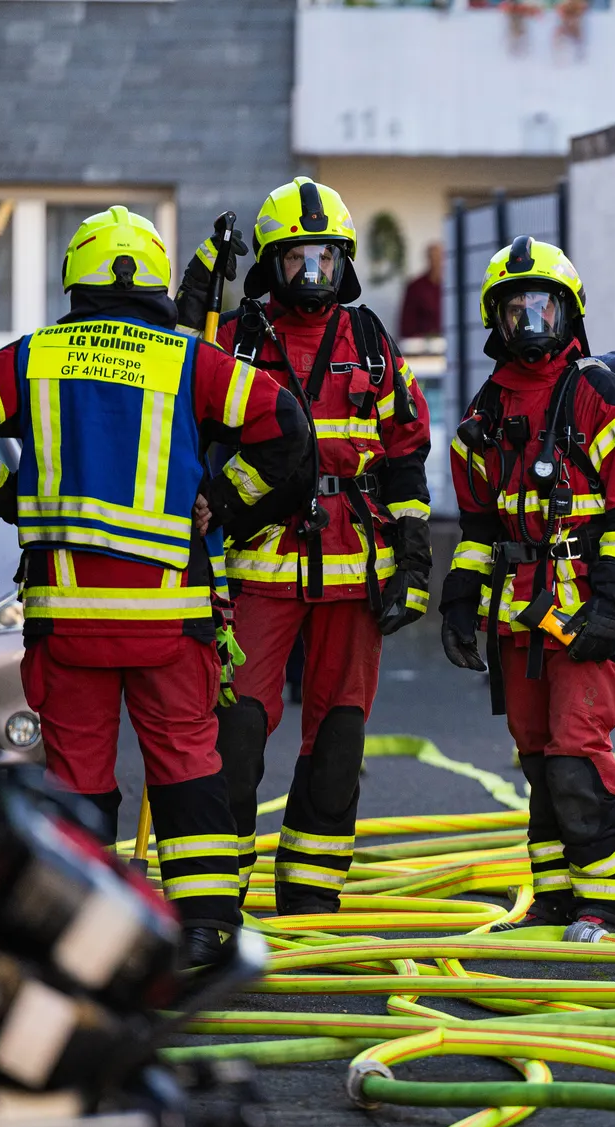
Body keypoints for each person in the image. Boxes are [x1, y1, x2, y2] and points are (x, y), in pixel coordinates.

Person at [0, 206, 310, 966]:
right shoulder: (187, 360)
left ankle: (76, 934)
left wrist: (13, 497)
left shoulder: (33, 358)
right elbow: (286, 427)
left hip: (66, 621)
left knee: (76, 779)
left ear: (77, 277)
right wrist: (225, 499)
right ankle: (203, 930)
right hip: (169, 621)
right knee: (188, 765)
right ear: (155, 280)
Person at [174, 177, 433, 917]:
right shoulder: (239, 335)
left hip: (355, 571)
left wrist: (414, 557)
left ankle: (311, 902)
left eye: (325, 259)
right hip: (258, 566)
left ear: (342, 261)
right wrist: (199, 280)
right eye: (298, 261)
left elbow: (405, 451)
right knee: (238, 737)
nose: (313, 275)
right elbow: (173, 363)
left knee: (340, 740)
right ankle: (217, 900)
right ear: (271, 264)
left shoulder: (372, 343)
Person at [439, 236, 615, 942]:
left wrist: (610, 603)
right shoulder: (485, 410)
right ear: (494, 320)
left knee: (574, 751)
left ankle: (611, 903)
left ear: (570, 313)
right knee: (537, 756)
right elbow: (478, 522)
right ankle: (557, 896)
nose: (530, 322)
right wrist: (460, 596)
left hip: (579, 612)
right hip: (519, 617)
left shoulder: (593, 392)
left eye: (543, 306)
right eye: (516, 309)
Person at [399, 241, 444, 340]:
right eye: (433, 258)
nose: (437, 262)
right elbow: (406, 324)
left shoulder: (451, 287)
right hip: (423, 345)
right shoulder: (416, 287)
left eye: (440, 258)